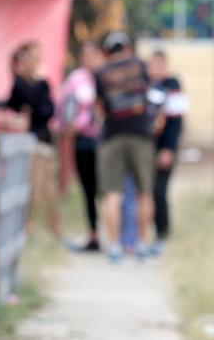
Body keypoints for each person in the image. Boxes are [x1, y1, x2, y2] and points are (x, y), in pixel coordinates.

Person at [94, 31, 155, 262]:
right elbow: (148, 94)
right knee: (144, 192)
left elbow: (100, 106)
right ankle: (140, 244)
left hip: (112, 136)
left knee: (112, 194)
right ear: (128, 47)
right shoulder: (140, 65)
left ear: (107, 52)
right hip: (141, 135)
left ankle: (115, 246)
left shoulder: (101, 73)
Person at [7, 42, 59, 236]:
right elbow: (18, 107)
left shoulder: (41, 83)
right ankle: (29, 226)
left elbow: (47, 110)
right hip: (28, 141)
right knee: (32, 187)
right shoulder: (20, 83)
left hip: (42, 139)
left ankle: (53, 227)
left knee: (47, 186)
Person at [57, 41, 105, 251]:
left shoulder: (106, 77)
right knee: (89, 190)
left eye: (93, 55)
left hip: (105, 141)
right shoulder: (76, 79)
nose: (89, 59)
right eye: (85, 55)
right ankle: (94, 234)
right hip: (83, 142)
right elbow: (64, 105)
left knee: (108, 190)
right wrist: (65, 127)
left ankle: (114, 235)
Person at [147, 49, 186, 253]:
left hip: (163, 149)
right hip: (146, 148)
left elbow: (177, 122)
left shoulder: (173, 86)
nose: (157, 69)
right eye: (153, 65)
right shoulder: (145, 86)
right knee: (147, 193)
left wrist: (168, 149)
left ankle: (163, 234)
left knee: (159, 191)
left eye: (160, 65)